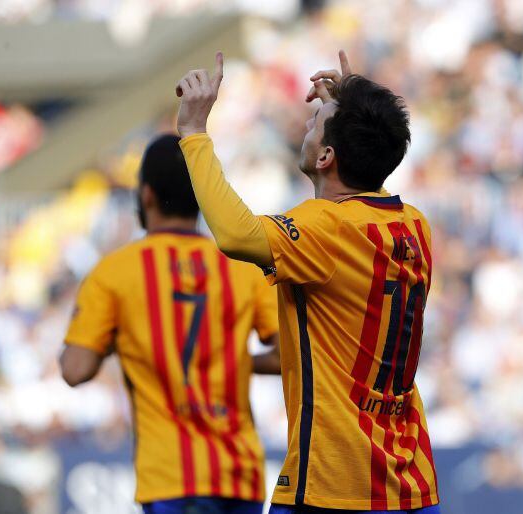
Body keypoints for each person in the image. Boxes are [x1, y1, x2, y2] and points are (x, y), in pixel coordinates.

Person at [174, 52, 440, 513]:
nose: (307, 121)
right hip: (409, 482)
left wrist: (194, 133)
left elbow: (237, 234)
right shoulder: (414, 224)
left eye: (316, 120)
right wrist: (352, 105)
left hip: (334, 486)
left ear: (326, 155)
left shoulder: (326, 227)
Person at [59, 134, 280, 514]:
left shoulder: (113, 273)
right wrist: (236, 360)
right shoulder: (241, 267)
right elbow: (289, 355)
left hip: (168, 476)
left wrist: (124, 339)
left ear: (146, 195)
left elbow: (75, 370)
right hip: (238, 474)